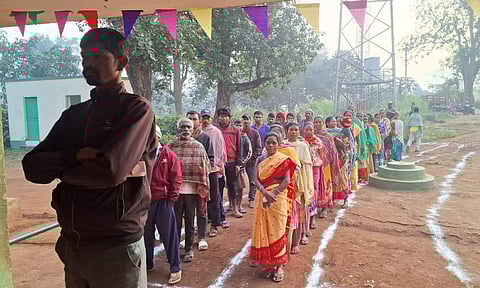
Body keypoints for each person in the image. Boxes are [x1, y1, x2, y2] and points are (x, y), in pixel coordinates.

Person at [22, 28, 156, 287]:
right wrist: (75, 156)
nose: (87, 62)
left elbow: (109, 171)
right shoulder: (74, 115)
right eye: (84, 55)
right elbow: (31, 167)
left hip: (115, 247)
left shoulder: (135, 109)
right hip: (72, 245)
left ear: (121, 62)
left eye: (97, 55)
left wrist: (61, 169)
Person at [249, 133, 297, 283]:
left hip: (278, 199)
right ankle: (268, 264)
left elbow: (286, 180)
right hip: (262, 198)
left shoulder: (283, 160)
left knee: (278, 230)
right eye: (268, 143)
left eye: (273, 143)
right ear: (264, 143)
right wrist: (265, 192)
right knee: (264, 230)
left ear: (278, 144)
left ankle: (279, 265)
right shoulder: (260, 159)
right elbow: (255, 178)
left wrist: (273, 193)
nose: (270, 145)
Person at [144, 126, 182, 284]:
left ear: (158, 137)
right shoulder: (141, 155)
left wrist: (171, 199)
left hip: (164, 201)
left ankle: (175, 267)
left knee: (169, 235)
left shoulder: (169, 155)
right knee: (145, 236)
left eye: (153, 137)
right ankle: (148, 264)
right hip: (145, 202)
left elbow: (176, 178)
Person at [169, 118, 210, 262]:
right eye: (183, 127)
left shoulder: (198, 147)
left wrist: (202, 188)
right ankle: (173, 250)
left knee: (189, 222)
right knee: (176, 221)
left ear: (192, 130)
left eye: (188, 127)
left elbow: (204, 168)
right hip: (175, 192)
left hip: (192, 192)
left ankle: (188, 250)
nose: (185, 129)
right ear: (178, 129)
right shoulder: (171, 147)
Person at [285, 122, 314, 253]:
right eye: (291, 129)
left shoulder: (303, 146)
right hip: (285, 182)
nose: (294, 132)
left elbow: (307, 166)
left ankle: (297, 240)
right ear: (287, 131)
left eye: (296, 130)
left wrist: (306, 185)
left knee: (299, 211)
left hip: (299, 182)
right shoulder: (282, 145)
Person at [200, 109, 227, 234]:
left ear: (211, 119)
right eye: (203, 118)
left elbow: (221, 149)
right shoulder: (197, 133)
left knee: (215, 196)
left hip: (214, 168)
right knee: (202, 197)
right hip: (200, 169)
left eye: (207, 118)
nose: (205, 120)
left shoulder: (216, 132)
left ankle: (216, 224)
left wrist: (220, 165)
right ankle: (204, 222)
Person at [216, 107, 243, 219]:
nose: (224, 119)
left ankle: (235, 208)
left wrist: (238, 163)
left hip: (232, 162)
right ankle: (219, 211)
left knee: (232, 185)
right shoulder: (215, 130)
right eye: (222, 116)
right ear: (218, 118)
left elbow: (239, 147)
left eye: (226, 116)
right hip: (218, 163)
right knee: (219, 186)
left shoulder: (235, 130)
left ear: (230, 118)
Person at [314, 116, 339, 218]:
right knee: (316, 186)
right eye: (316, 122)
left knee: (325, 185)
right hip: (315, 165)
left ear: (323, 123)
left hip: (326, 165)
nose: (318, 124)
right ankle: (315, 207)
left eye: (320, 122)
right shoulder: (311, 135)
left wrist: (334, 164)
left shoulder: (328, 136)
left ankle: (324, 208)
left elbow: (332, 151)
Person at [326, 116, 353, 208]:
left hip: (341, 157)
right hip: (330, 158)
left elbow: (347, 145)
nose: (335, 122)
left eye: (336, 121)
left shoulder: (344, 131)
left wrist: (338, 142)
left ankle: (346, 200)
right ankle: (331, 199)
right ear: (327, 123)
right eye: (333, 121)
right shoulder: (324, 132)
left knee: (342, 177)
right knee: (331, 178)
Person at [303, 122, 326, 228]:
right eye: (306, 130)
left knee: (314, 190)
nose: (308, 132)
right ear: (303, 130)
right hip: (303, 169)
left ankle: (312, 217)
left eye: (310, 130)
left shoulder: (317, 141)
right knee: (304, 190)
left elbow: (321, 156)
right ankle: (304, 217)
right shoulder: (301, 141)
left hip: (315, 168)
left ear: (313, 130)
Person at [242, 114, 262, 209]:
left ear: (250, 121)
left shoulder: (254, 133)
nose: (245, 121)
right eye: (244, 120)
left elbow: (258, 147)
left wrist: (253, 158)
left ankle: (252, 199)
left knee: (253, 180)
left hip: (252, 161)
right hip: (240, 161)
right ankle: (237, 201)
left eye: (247, 119)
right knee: (238, 181)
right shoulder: (239, 132)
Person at [235, 119, 253, 213]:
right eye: (236, 125)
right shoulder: (232, 137)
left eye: (240, 125)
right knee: (231, 186)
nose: (238, 127)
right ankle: (232, 205)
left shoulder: (245, 138)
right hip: (231, 165)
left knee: (240, 186)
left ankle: (239, 205)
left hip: (240, 166)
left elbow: (249, 153)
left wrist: (241, 164)